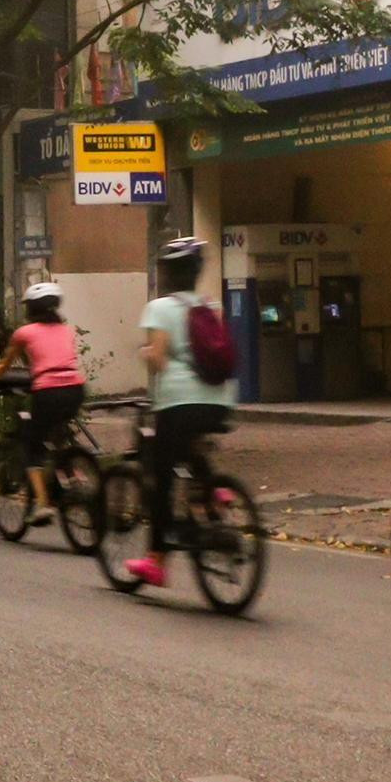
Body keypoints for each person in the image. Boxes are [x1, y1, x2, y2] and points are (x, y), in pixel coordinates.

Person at [125, 238, 237, 587]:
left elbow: (158, 358)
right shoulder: (209, 304)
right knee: (190, 448)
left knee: (161, 477)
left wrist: (146, 355)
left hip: (178, 401)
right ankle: (214, 491)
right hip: (218, 400)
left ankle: (156, 560)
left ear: (168, 273)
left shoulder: (159, 308)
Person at [0, 281, 86, 528]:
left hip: (48, 391)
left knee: (33, 445)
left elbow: (3, 366)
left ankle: (43, 504)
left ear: (31, 309)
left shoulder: (25, 333)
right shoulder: (67, 330)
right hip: (75, 388)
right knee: (59, 435)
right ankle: (76, 478)